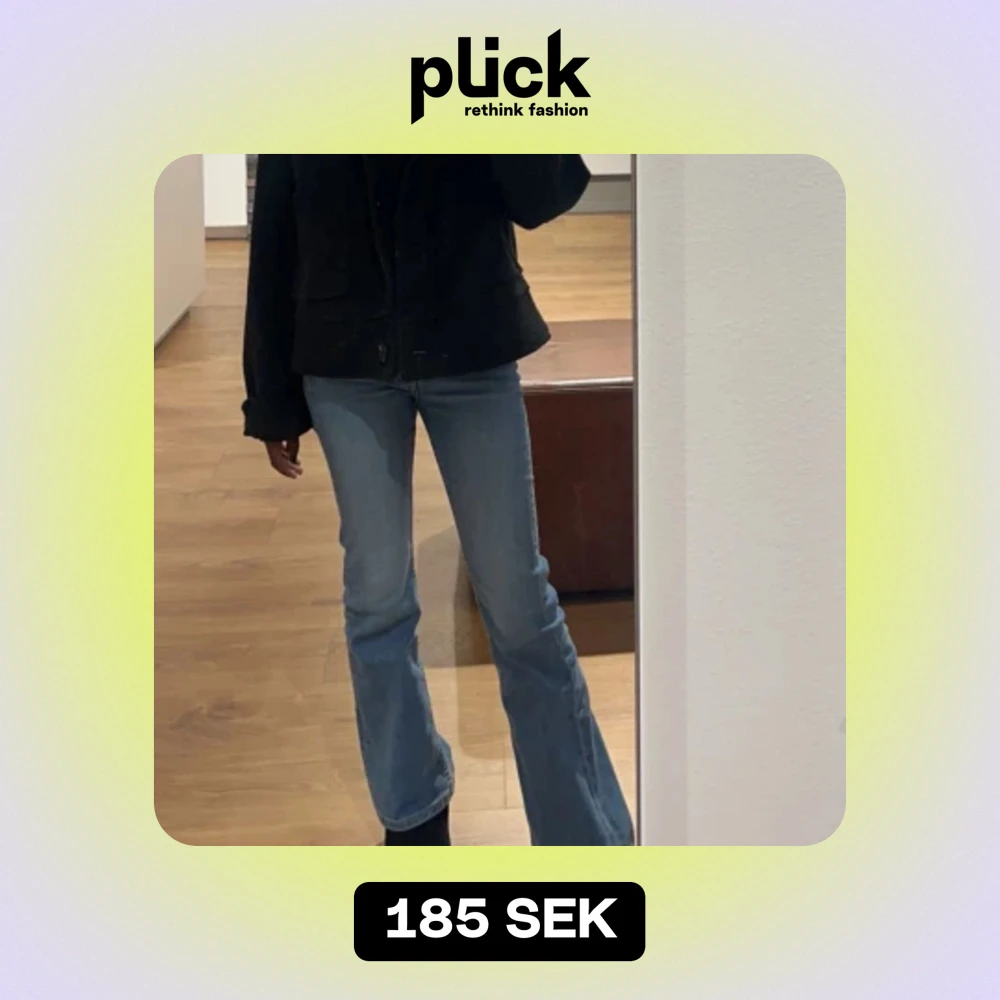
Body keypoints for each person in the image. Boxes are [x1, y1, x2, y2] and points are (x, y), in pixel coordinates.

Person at [241, 153, 633, 847]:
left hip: (472, 342)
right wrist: (270, 396)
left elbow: (547, 193)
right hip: (344, 360)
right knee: (376, 601)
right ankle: (413, 814)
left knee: (519, 601)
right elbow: (276, 228)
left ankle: (582, 835)